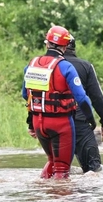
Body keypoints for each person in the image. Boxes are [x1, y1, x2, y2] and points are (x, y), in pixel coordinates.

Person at [22, 25, 91, 179]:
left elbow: (25, 95)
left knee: (52, 160)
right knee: (62, 168)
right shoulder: (66, 66)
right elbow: (82, 98)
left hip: (39, 123)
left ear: (47, 44)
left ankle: (43, 193)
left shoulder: (31, 65)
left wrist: (31, 123)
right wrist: (91, 119)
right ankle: (62, 201)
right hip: (61, 124)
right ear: (65, 46)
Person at [63, 35, 103, 173]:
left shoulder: (48, 66)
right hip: (79, 122)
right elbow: (96, 97)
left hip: (51, 122)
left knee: (58, 169)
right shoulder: (85, 66)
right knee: (94, 170)